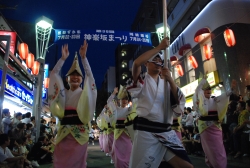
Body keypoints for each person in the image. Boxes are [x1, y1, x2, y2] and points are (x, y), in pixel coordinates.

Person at [127, 37, 193, 168]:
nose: (158, 61)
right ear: (147, 63)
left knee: (187, 166)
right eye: (154, 59)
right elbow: (136, 63)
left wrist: (171, 80)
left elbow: (178, 108)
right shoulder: (141, 82)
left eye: (160, 59)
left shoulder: (167, 83)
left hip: (166, 133)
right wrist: (159, 48)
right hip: (146, 133)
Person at [48, 40, 97, 168]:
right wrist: (62, 59)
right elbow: (53, 74)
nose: (75, 77)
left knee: (77, 163)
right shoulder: (62, 94)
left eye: (78, 76)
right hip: (63, 133)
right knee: (60, 162)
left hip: (79, 135)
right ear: (66, 79)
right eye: (71, 75)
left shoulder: (85, 94)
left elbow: (90, 76)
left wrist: (84, 58)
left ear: (82, 80)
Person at [193, 72, 236, 168]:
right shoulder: (199, 102)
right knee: (209, 149)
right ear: (202, 93)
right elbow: (197, 90)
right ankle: (212, 164)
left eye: (209, 92)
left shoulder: (215, 100)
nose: (208, 93)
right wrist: (203, 80)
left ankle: (220, 165)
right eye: (206, 92)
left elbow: (225, 96)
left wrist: (232, 89)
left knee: (218, 148)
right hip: (205, 128)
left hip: (216, 126)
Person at [107, 86, 132, 167]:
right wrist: (114, 92)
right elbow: (109, 101)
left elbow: (137, 102)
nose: (124, 101)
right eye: (122, 99)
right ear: (119, 101)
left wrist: (132, 92)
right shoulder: (116, 110)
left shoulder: (130, 110)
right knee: (117, 155)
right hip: (117, 136)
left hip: (127, 136)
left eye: (126, 99)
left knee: (129, 154)